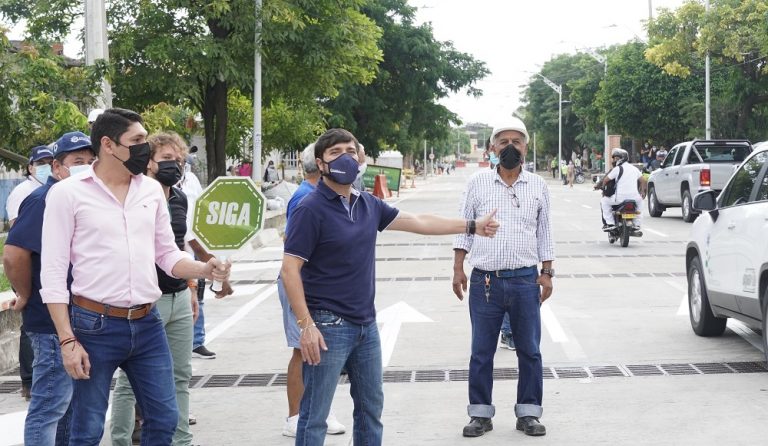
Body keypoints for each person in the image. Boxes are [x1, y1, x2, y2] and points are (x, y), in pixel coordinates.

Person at [281, 128, 499, 445]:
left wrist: (471, 226)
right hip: (328, 326)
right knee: (315, 417)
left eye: (350, 150)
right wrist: (306, 325)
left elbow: (418, 221)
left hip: (365, 326)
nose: (345, 156)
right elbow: (290, 269)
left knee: (370, 411)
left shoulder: (367, 204)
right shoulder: (309, 208)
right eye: (335, 152)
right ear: (321, 163)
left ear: (360, 158)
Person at [39, 108, 231, 445]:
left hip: (147, 322)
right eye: (137, 140)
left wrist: (203, 269)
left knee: (165, 419)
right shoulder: (68, 194)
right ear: (109, 145)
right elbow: (53, 273)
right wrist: (67, 341)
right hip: (93, 325)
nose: (145, 146)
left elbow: (166, 254)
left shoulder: (150, 191)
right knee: (87, 428)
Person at [110, 131, 231, 446]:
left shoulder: (179, 198)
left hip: (178, 296)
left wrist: (192, 286)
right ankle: (121, 440)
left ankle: (181, 440)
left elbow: (179, 246)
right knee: (129, 381)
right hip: (145, 300)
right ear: (149, 162)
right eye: (166, 160)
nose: (174, 166)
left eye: (178, 160)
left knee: (181, 374)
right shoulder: (134, 197)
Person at [452, 117, 554, 438]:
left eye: (517, 142)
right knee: (481, 351)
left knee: (530, 350)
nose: (510, 147)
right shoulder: (477, 183)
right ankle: (480, 414)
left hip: (525, 281)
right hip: (486, 282)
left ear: (526, 147)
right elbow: (464, 227)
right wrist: (458, 268)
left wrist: (547, 273)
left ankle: (529, 413)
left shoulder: (538, 185)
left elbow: (545, 233)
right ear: (493, 147)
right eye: (504, 141)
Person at [3, 131, 95, 445]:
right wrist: (26, 293)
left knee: (69, 404)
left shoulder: (80, 198)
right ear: (57, 168)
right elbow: (14, 255)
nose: (86, 167)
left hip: (80, 316)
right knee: (50, 404)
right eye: (77, 162)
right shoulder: (45, 200)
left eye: (91, 161)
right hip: (51, 321)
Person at [278, 143, 346, 438]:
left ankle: (319, 409)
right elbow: (291, 250)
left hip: (315, 284)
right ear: (319, 164)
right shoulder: (307, 197)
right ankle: (295, 415)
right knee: (301, 349)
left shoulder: (325, 195)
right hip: (302, 285)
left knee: (317, 352)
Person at [6, 144, 54, 401]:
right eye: (41, 162)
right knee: (31, 325)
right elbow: (18, 238)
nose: (46, 165)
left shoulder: (54, 190)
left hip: (47, 269)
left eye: (50, 160)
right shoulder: (24, 193)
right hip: (29, 268)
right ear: (31, 167)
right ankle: (28, 381)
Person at [596, 148, 647, 232]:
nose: (615, 160)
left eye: (616, 158)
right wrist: (642, 192)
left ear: (622, 158)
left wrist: (603, 190)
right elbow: (643, 180)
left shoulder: (617, 169)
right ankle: (637, 224)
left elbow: (605, 180)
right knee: (641, 203)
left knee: (604, 201)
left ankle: (610, 223)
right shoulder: (634, 168)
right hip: (634, 198)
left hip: (619, 199)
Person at [7, 145, 54, 227]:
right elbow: (15, 225)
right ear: (30, 168)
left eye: (50, 163)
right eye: (41, 163)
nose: (47, 167)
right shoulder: (21, 191)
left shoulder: (55, 187)